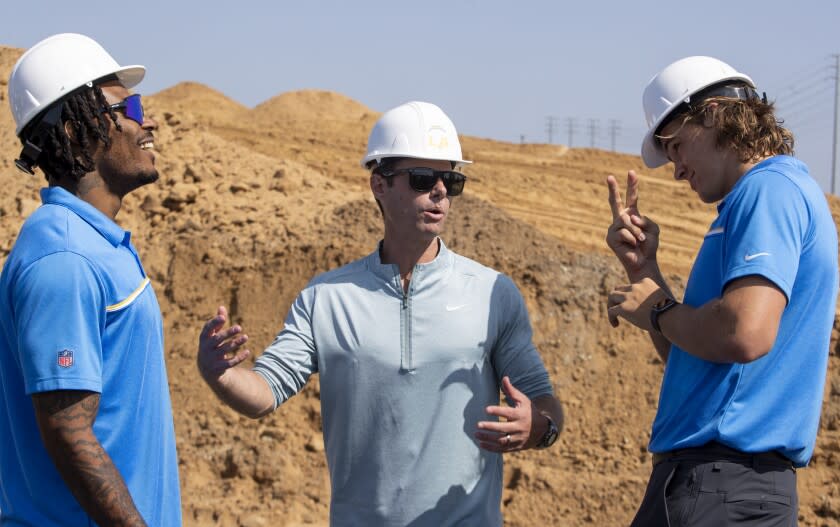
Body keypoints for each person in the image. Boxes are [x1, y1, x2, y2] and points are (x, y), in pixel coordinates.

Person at [197, 101, 563, 526]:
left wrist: (537, 426)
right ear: (379, 185)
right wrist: (220, 374)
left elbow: (544, 403)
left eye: (452, 179)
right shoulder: (325, 298)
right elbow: (265, 391)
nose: (441, 191)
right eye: (424, 178)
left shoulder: (492, 294)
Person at [605, 56, 838, 526]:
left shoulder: (768, 190)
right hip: (718, 485)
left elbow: (742, 334)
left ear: (712, 114)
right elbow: (700, 357)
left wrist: (656, 307)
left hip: (722, 487)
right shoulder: (763, 197)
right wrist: (645, 271)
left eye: (675, 146)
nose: (676, 169)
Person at [0, 34, 181, 526]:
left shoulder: (94, 243)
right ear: (77, 126)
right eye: (131, 105)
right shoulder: (64, 257)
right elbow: (68, 432)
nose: (148, 121)